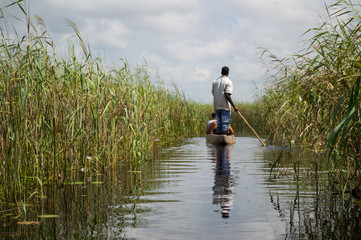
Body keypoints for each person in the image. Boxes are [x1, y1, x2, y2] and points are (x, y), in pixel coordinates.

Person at [212, 66, 239, 135]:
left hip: (217, 106)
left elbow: (213, 93)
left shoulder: (215, 81)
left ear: (221, 72)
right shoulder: (229, 82)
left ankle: (219, 138)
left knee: (219, 123)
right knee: (224, 124)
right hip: (225, 107)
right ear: (228, 73)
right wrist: (234, 106)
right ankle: (224, 137)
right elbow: (227, 95)